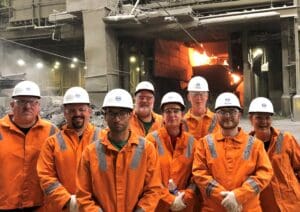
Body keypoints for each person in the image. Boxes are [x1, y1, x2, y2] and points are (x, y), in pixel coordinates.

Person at [76, 88, 162, 211]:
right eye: (112, 113)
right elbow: (83, 194)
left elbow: (153, 189)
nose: (117, 119)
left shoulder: (147, 149)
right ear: (105, 116)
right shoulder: (90, 152)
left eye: (122, 113)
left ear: (131, 115)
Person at [193, 92, 273, 212]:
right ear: (216, 115)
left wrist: (238, 196)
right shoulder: (204, 144)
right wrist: (226, 198)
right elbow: (199, 174)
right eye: (223, 112)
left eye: (232, 111)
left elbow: (265, 174)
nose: (227, 116)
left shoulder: (256, 145)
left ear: (239, 114)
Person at [37, 87, 101, 212]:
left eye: (81, 109)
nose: (77, 114)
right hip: (63, 208)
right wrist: (67, 201)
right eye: (72, 110)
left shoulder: (103, 138)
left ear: (89, 111)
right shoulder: (52, 143)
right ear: (65, 113)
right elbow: (46, 176)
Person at [0, 80, 57, 211]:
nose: (27, 106)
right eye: (21, 102)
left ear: (39, 106)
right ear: (12, 105)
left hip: (40, 205)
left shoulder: (51, 131)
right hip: (4, 205)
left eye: (32, 102)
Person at [146, 92, 198, 211]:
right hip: (159, 205)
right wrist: (170, 199)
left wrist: (184, 196)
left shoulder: (192, 142)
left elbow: (196, 175)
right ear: (162, 115)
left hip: (184, 205)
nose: (172, 115)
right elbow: (148, 177)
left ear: (182, 114)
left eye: (176, 110)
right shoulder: (151, 140)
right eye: (168, 111)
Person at [248, 97, 300, 211]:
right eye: (259, 117)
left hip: (291, 204)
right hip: (265, 206)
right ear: (250, 119)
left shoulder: (286, 139)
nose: (264, 121)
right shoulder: (246, 146)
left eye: (267, 117)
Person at [183, 76, 220, 140]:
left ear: (207, 96)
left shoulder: (218, 120)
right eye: (195, 94)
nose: (198, 98)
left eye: (202, 94)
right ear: (189, 97)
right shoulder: (182, 122)